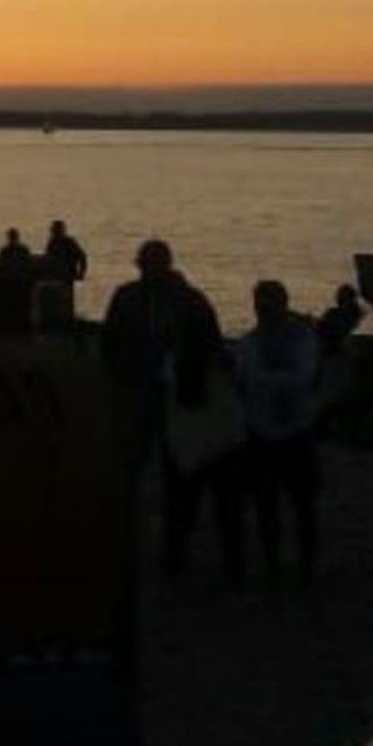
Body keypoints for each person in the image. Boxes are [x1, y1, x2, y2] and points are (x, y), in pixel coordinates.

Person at [102, 238, 243, 581]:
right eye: (146, 263)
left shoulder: (189, 300)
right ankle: (135, 541)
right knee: (133, 467)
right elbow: (110, 342)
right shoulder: (127, 297)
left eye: (154, 263)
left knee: (180, 473)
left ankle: (174, 551)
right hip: (139, 391)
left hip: (180, 397)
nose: (149, 269)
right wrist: (118, 378)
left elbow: (212, 345)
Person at [233, 280, 320, 584]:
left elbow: (303, 377)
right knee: (267, 505)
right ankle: (274, 566)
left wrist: (263, 381)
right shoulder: (250, 344)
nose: (264, 312)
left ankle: (306, 567)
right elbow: (247, 380)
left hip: (295, 431)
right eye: (260, 306)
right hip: (263, 432)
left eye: (268, 306)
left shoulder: (301, 339)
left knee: (303, 505)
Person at [317, 284, 364, 357]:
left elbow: (329, 327)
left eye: (341, 295)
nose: (338, 297)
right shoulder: (337, 312)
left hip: (332, 343)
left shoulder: (336, 313)